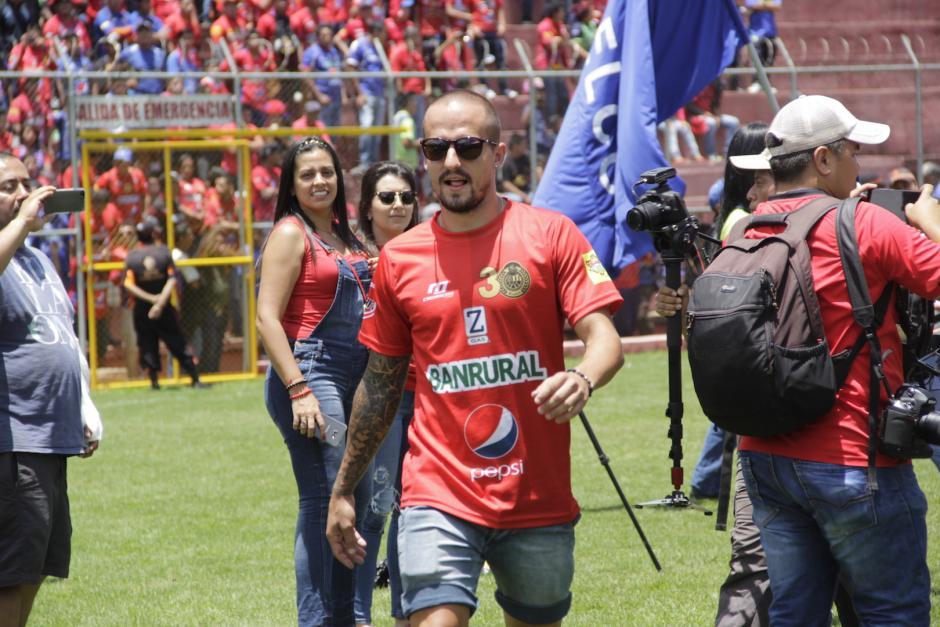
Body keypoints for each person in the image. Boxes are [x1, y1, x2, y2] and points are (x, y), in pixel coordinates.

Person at [325, 90, 624, 626]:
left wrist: (582, 377)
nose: (452, 162)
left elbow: (603, 336)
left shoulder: (550, 233)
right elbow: (381, 381)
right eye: (437, 149)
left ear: (499, 153)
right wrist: (343, 490)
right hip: (437, 488)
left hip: (537, 493)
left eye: (467, 146)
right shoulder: (400, 258)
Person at [723, 95, 940, 624]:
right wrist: (929, 221)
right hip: (853, 457)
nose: (858, 162)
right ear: (823, 159)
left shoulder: (746, 229)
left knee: (796, 613)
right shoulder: (865, 224)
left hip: (764, 459)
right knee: (894, 613)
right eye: (851, 150)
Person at [255, 137, 374, 627]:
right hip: (312, 368)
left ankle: (346, 615)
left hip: (360, 373)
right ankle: (319, 619)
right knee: (329, 497)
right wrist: (299, 388)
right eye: (307, 175)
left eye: (327, 172)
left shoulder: (349, 236)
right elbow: (266, 318)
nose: (320, 181)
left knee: (357, 498)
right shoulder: (290, 232)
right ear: (292, 184)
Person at [0, 153, 101, 626]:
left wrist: (83, 404)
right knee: (11, 572)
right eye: (8, 187)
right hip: (14, 442)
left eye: (26, 183)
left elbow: (62, 334)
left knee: (36, 567)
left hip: (49, 439)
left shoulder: (38, 259)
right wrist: (20, 223)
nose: (24, 195)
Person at [352, 161, 420, 627]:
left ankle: (403, 615)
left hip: (428, 397)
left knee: (411, 511)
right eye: (387, 197)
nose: (398, 205)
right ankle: (357, 616)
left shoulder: (431, 250)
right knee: (375, 509)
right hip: (379, 398)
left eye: (405, 197)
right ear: (368, 207)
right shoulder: (351, 261)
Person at [123, 217, 207, 390]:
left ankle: (154, 382)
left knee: (147, 344)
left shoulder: (132, 256)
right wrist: (160, 302)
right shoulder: (163, 252)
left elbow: (128, 284)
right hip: (164, 306)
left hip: (143, 308)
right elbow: (172, 279)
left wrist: (151, 300)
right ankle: (194, 378)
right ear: (154, 233)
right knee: (177, 341)